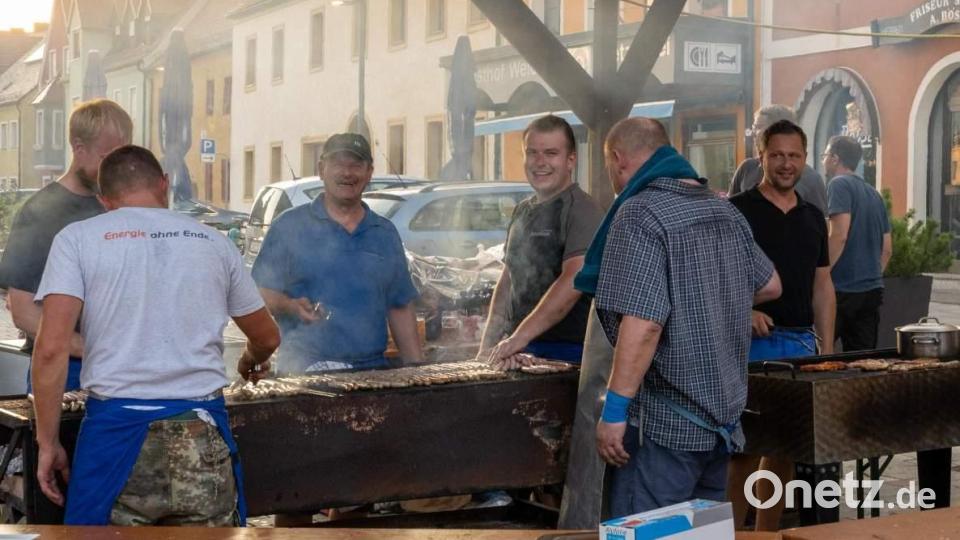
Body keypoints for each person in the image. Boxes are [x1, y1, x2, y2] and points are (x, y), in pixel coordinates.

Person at [31, 145, 280, 525]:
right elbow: (267, 337)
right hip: (202, 434)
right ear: (164, 185)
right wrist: (250, 360)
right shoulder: (213, 242)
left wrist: (47, 444)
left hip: (113, 440)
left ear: (104, 200)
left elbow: (51, 349)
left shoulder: (78, 239)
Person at [591, 117, 781, 515]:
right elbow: (770, 285)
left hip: (665, 430)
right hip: (721, 426)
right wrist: (715, 294)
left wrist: (614, 412)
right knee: (700, 534)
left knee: (648, 532)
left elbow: (644, 325)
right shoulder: (723, 209)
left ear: (617, 159)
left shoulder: (639, 214)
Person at [727, 120, 836, 531]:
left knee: (785, 450)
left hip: (801, 347)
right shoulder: (737, 211)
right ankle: (730, 535)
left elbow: (822, 285)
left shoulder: (813, 216)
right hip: (751, 348)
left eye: (794, 156)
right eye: (777, 155)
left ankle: (766, 535)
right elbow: (716, 281)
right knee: (744, 449)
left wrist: (825, 346)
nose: (786, 164)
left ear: (805, 160)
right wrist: (744, 310)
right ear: (762, 157)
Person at [252, 132, 423, 374]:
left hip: (372, 371)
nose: (347, 173)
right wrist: (289, 305)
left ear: (369, 173)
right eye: (338, 164)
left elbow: (400, 306)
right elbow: (257, 292)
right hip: (305, 369)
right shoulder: (290, 226)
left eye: (355, 165)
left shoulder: (384, 232)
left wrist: (416, 368)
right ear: (322, 169)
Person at [0, 99, 132, 391]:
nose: (116, 170)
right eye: (107, 157)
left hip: (121, 371)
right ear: (78, 148)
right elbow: (23, 312)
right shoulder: (40, 213)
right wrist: (92, 348)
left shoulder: (124, 208)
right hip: (64, 369)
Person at [480, 115, 603, 367]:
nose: (540, 162)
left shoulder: (582, 210)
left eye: (551, 153)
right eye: (532, 152)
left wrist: (516, 338)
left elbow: (572, 281)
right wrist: (486, 347)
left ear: (571, 160)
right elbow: (507, 281)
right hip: (524, 351)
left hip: (569, 356)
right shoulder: (522, 210)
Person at [823, 135, 892, 351]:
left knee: (818, 354)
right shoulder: (874, 194)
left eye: (825, 155)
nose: (823, 160)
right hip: (871, 290)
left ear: (835, 158)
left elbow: (839, 235)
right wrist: (871, 274)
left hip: (841, 289)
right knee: (862, 362)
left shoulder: (838, 184)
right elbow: (887, 249)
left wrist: (820, 274)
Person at [728, 105, 828, 216]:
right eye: (753, 127)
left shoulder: (811, 179)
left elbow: (820, 224)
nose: (753, 133)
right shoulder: (747, 168)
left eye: (758, 127)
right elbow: (729, 212)